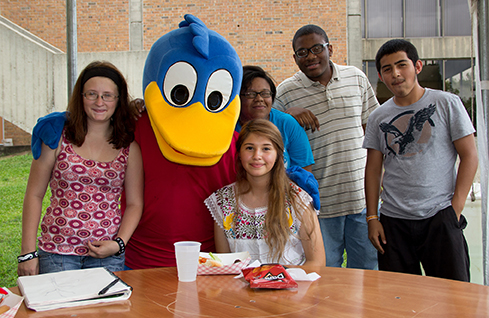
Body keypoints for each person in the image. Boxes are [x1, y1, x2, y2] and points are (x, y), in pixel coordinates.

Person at [363, 39, 478, 281]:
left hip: (440, 216)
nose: (395, 73)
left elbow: (469, 156)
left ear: (417, 66)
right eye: (386, 69)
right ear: (381, 77)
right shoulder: (378, 117)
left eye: (401, 65)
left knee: (453, 296)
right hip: (394, 222)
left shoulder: (447, 103)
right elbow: (373, 170)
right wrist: (373, 217)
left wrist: (454, 211)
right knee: (399, 298)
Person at [18, 61, 144, 275]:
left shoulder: (128, 147)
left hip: (106, 255)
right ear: (81, 97)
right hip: (58, 252)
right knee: (60, 310)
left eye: (107, 95)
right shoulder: (56, 137)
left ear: (118, 100)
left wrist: (118, 244)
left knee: (105, 310)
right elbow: (34, 194)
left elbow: (134, 203)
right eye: (91, 94)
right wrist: (28, 253)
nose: (99, 102)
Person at [274, 24, 379, 269]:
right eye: (302, 52)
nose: (310, 56)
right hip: (316, 206)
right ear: (295, 58)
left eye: (317, 48)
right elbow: (270, 136)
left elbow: (372, 132)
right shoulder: (285, 92)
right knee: (322, 277)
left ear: (330, 49)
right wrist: (289, 114)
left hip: (361, 201)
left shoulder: (356, 77)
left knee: (367, 276)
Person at [205, 119, 325, 265]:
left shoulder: (297, 199)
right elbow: (225, 263)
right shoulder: (222, 201)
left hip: (292, 286)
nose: (257, 155)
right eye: (249, 148)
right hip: (239, 287)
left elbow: (317, 263)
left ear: (278, 155)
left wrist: (273, 281)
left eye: (266, 148)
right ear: (239, 153)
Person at [236, 65, 314, 172]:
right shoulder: (228, 127)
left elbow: (303, 175)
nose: (259, 99)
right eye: (251, 94)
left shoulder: (287, 124)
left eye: (265, 93)